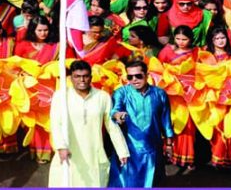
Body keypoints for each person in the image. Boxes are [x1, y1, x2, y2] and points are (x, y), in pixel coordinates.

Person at [47, 59, 129, 188]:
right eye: (77, 77)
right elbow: (56, 123)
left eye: (85, 76)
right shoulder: (61, 96)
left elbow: (112, 126)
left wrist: (122, 151)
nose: (82, 80)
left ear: (91, 77)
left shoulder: (102, 96)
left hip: (94, 153)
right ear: (71, 78)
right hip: (69, 151)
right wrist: (61, 146)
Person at [109, 57, 175, 187]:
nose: (134, 80)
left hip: (153, 148)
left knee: (153, 181)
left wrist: (168, 145)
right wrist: (118, 116)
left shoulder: (160, 94)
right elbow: (114, 111)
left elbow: (166, 121)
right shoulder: (121, 93)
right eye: (130, 77)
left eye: (138, 76)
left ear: (147, 75)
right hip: (129, 149)